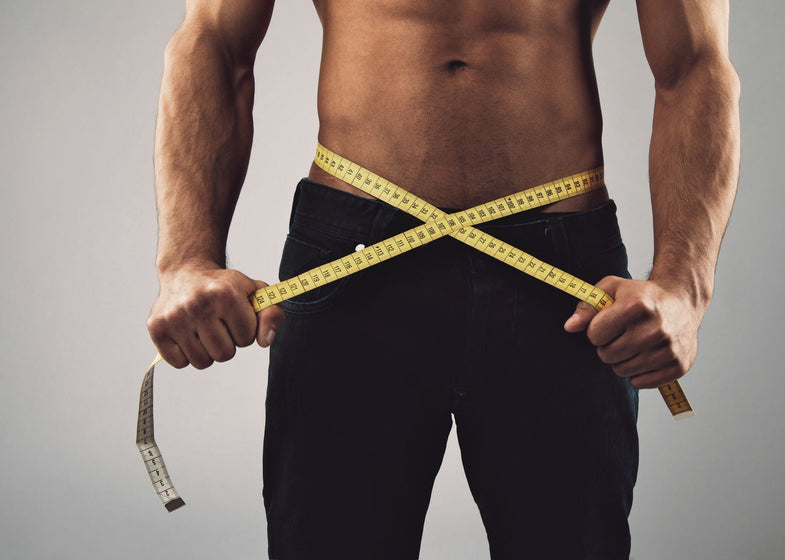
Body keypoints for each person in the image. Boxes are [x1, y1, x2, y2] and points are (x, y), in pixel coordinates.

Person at [147, 1, 740, 558]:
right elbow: (214, 41)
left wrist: (685, 288)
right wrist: (186, 262)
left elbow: (695, 67)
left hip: (563, 273)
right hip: (350, 258)